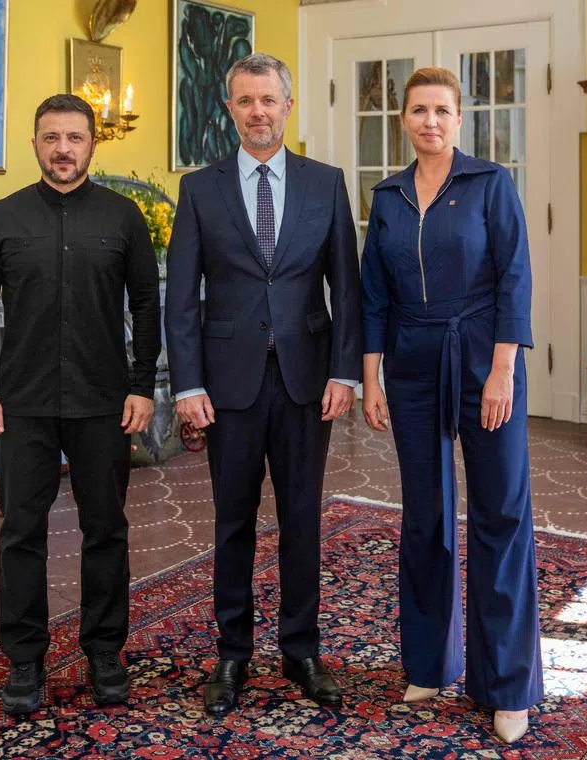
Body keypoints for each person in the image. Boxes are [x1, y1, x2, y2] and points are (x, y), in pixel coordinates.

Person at [164, 53, 363, 717]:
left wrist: (344, 370)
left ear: (287, 106)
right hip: (227, 386)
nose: (257, 112)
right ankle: (232, 652)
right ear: (229, 109)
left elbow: (347, 286)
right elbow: (181, 299)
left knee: (303, 518)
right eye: (244, 101)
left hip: (308, 381)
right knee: (233, 522)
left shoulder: (324, 183)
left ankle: (301, 649)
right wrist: (187, 383)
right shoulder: (200, 189)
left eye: (268, 100)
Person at [359, 67, 544, 744]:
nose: (429, 121)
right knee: (425, 515)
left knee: (499, 514)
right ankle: (431, 664)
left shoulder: (490, 184)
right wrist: (371, 379)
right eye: (417, 111)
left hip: (482, 360)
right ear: (403, 120)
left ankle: (507, 685)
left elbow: (514, 277)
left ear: (459, 120)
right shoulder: (386, 196)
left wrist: (503, 370)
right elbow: (372, 294)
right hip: (410, 363)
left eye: (441, 110)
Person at [0, 94, 160, 715]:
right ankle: (25, 660)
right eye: (51, 137)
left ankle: (104, 650)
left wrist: (141, 383)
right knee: (22, 532)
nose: (63, 149)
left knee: (106, 529)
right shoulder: (3, 217)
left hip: (105, 402)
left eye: (74, 138)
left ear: (92, 144)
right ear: (35, 144)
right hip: (22, 403)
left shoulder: (124, 218)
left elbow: (147, 307)